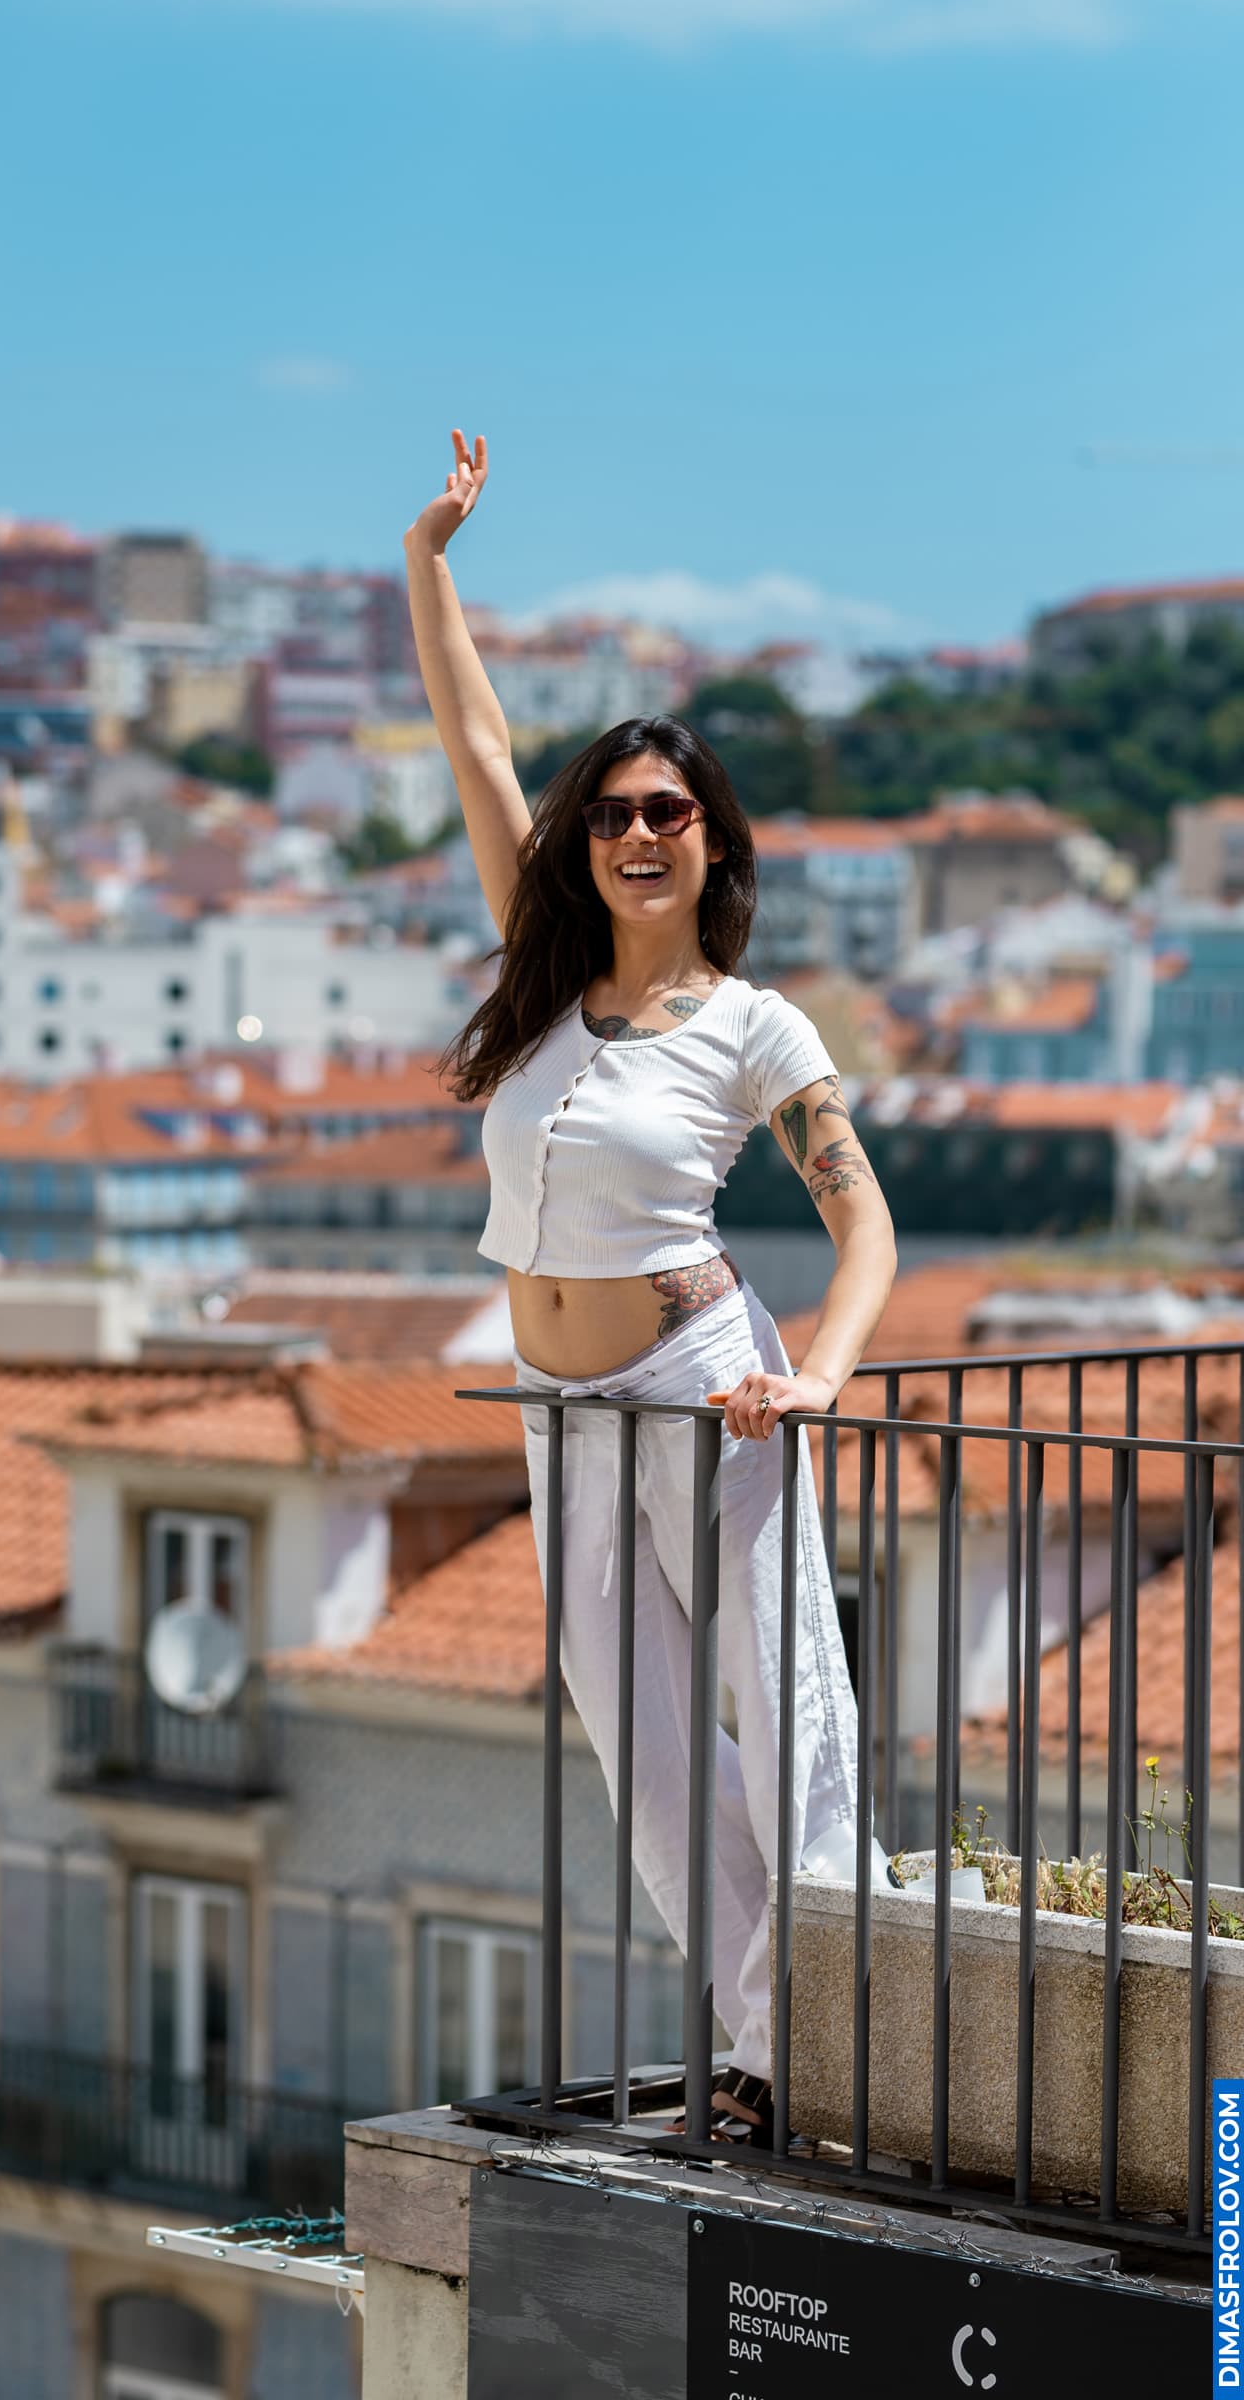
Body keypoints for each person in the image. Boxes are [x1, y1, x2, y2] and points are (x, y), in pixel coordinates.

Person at [404, 430, 898, 2143]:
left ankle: (839, 2038)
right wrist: (430, 562)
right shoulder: (543, 984)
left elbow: (865, 1224)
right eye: (611, 813)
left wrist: (820, 1374)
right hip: (561, 1408)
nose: (634, 833)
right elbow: (477, 744)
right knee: (646, 1747)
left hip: (706, 1388)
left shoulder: (756, 1024)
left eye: (666, 812)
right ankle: (771, 2039)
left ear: (711, 843)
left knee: (790, 1706)